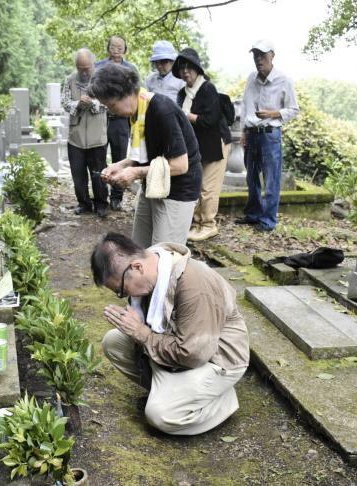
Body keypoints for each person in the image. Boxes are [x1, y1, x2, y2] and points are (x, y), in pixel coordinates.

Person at [91, 232, 250, 435]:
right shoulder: (155, 267)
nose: (124, 296)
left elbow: (193, 354)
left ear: (137, 267)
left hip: (216, 359)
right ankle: (173, 392)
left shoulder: (195, 286)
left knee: (161, 415)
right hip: (179, 349)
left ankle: (220, 402)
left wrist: (142, 334)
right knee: (113, 342)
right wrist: (138, 331)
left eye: (121, 290)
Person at [89, 63, 202, 248]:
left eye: (111, 105)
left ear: (125, 93)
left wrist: (134, 173)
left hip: (179, 189)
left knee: (164, 256)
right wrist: (121, 166)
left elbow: (181, 165)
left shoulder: (161, 109)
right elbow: (143, 154)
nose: (110, 110)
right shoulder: (137, 113)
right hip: (152, 184)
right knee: (139, 248)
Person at [237, 39, 299, 232]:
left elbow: (294, 109)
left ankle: (268, 221)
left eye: (262, 56)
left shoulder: (284, 80)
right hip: (252, 134)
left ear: (272, 56)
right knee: (252, 177)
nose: (259, 59)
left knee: (271, 179)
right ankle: (254, 214)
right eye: (256, 56)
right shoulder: (251, 78)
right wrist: (243, 132)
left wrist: (272, 114)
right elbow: (245, 106)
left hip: (270, 135)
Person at [173, 48, 232, 242]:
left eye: (190, 68)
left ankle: (208, 224)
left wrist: (189, 117)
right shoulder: (183, 93)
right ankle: (197, 223)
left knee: (209, 187)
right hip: (199, 146)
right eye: (182, 68)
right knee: (198, 185)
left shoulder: (207, 88)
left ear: (198, 69)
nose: (186, 72)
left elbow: (212, 119)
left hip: (217, 143)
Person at [61, 48, 109, 217]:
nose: (83, 71)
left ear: (93, 64)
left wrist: (93, 104)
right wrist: (78, 104)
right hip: (76, 136)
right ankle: (84, 203)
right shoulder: (69, 80)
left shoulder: (102, 79)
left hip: (98, 135)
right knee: (78, 174)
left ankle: (102, 204)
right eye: (80, 68)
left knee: (98, 173)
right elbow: (65, 102)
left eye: (87, 68)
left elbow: (110, 102)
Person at [95, 35, 138, 212]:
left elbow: (136, 93)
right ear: (108, 48)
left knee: (119, 157)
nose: (116, 50)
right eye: (113, 47)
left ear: (125, 49)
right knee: (99, 156)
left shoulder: (131, 69)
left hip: (121, 120)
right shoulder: (98, 67)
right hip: (101, 118)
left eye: (120, 47)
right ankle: (101, 198)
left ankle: (117, 197)